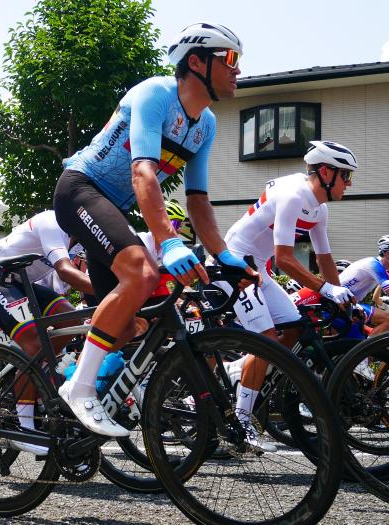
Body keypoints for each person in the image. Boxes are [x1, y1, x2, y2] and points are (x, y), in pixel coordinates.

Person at [53, 22, 256, 437]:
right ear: (197, 62)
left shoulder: (207, 124)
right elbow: (143, 171)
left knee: (132, 322)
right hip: (80, 188)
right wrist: (167, 241)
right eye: (230, 59)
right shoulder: (156, 93)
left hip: (111, 205)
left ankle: (69, 377)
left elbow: (198, 200)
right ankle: (80, 386)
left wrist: (224, 255)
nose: (238, 70)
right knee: (141, 273)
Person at [222, 140, 357, 450]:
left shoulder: (319, 208)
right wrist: (325, 289)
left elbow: (324, 259)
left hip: (258, 270)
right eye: (346, 176)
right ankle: (241, 422)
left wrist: (341, 297)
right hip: (233, 263)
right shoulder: (294, 194)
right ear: (326, 172)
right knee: (267, 339)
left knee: (295, 328)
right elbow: (284, 258)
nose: (349, 184)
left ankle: (240, 368)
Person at [0, 210, 93, 455]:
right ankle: (23, 424)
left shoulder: (78, 242)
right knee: (32, 346)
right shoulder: (53, 222)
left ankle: (34, 371)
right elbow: (63, 270)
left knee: (72, 318)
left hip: (24, 284)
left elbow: (63, 287)